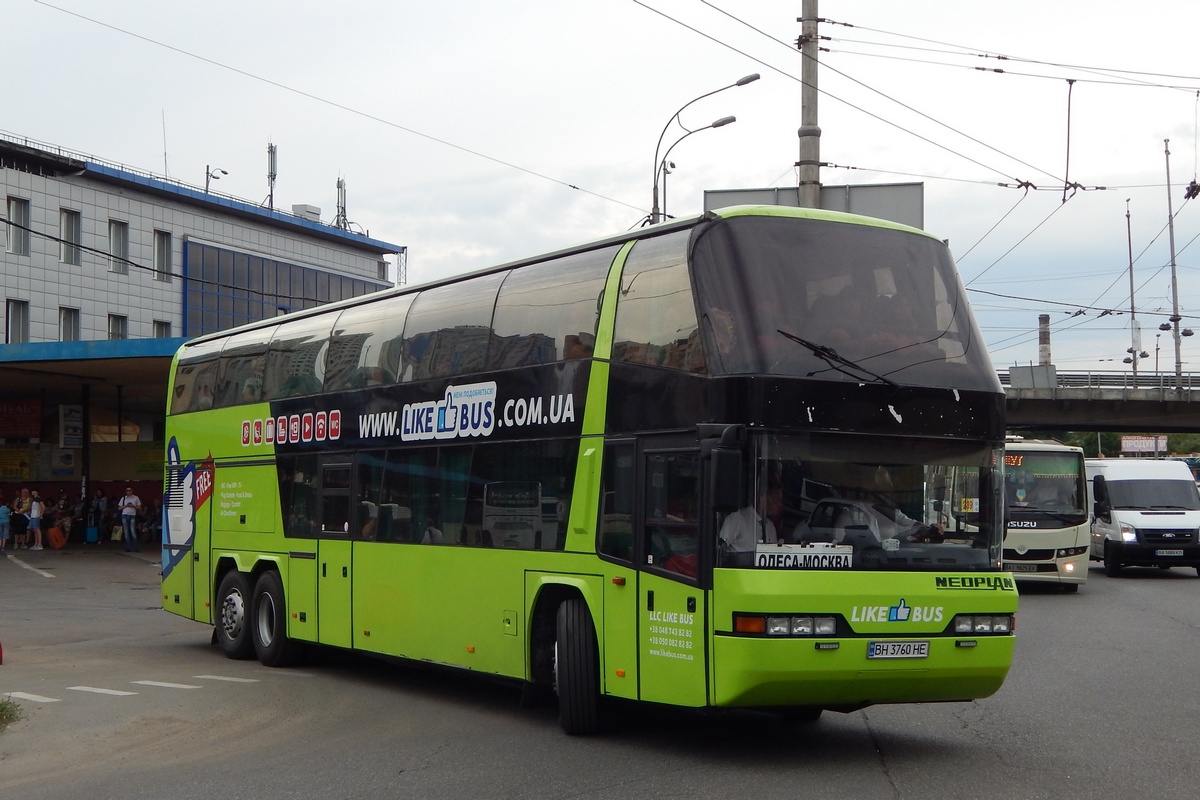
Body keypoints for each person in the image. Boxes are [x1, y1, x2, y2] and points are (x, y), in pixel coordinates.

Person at [719, 479, 782, 555]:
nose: (780, 505)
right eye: (776, 500)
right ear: (763, 498)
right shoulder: (738, 518)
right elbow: (720, 549)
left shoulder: (770, 527)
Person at [117, 487, 142, 552]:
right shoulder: (123, 498)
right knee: (126, 532)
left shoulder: (136, 498)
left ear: (132, 491)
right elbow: (119, 508)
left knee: (133, 531)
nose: (129, 492)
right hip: (124, 515)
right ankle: (128, 547)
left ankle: (136, 547)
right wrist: (126, 505)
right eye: (127, 490)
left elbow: (139, 507)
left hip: (132, 515)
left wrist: (133, 506)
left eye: (130, 490)